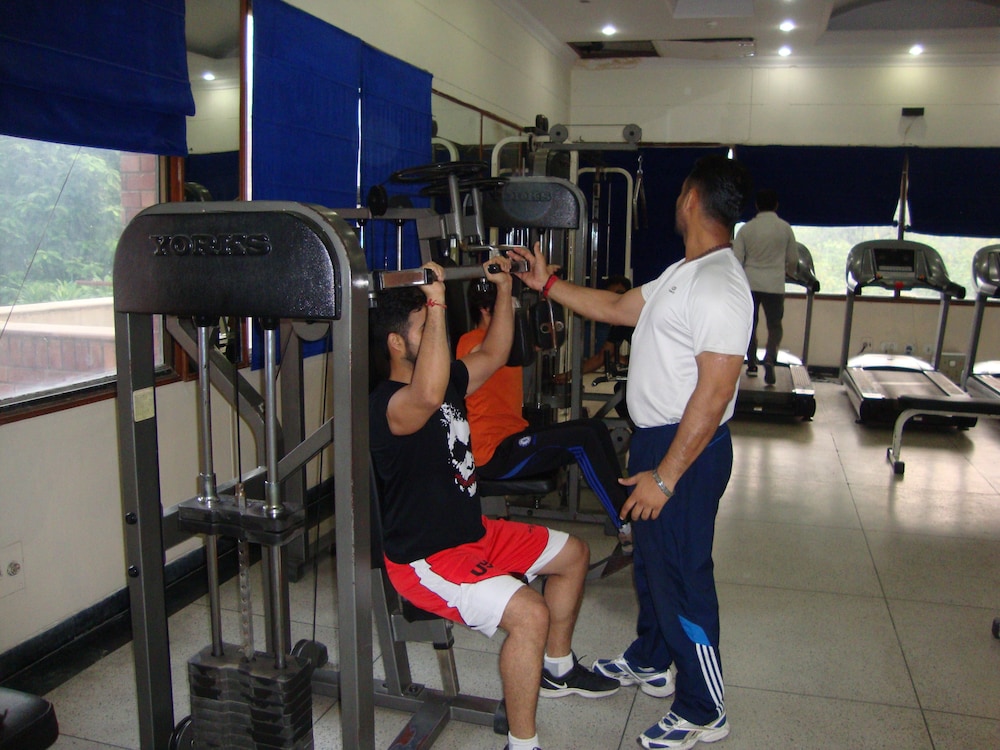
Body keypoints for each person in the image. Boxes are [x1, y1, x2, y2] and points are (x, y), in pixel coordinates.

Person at [511, 154, 754, 750]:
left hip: (685, 450)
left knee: (683, 573)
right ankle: (651, 656)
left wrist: (667, 478)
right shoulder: (684, 272)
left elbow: (716, 390)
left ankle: (703, 708)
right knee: (650, 562)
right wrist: (546, 284)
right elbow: (618, 309)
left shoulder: (721, 285)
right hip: (657, 438)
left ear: (691, 199)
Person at [369, 257, 619, 750]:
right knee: (530, 616)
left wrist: (505, 289)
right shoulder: (389, 405)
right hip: (427, 558)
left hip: (474, 532)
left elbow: (497, 349)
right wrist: (437, 302)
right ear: (397, 344)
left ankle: (559, 669)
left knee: (574, 555)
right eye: (425, 328)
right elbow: (427, 393)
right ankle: (522, 746)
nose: (437, 331)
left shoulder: (448, 381)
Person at [456, 277, 628, 531]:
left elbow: (529, 342)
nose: (511, 309)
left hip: (514, 438)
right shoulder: (472, 342)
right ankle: (625, 526)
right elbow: (494, 349)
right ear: (484, 309)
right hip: (493, 455)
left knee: (595, 429)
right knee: (583, 439)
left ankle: (627, 510)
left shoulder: (509, 342)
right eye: (506, 304)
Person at [732, 188, 798, 385]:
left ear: (756, 205)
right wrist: (789, 272)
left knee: (750, 324)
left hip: (750, 283)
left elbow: (736, 258)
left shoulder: (746, 229)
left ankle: (751, 363)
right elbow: (792, 259)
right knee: (774, 325)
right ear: (776, 205)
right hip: (775, 284)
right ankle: (770, 359)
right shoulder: (785, 228)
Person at [554, 274, 633, 384]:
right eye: (611, 296)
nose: (616, 299)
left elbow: (600, 359)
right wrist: (569, 375)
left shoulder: (634, 315)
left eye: (619, 294)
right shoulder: (622, 323)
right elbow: (601, 357)